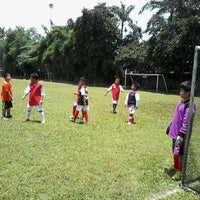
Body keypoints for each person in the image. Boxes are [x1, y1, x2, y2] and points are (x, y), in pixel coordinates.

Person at [166, 80, 196, 181]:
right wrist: (170, 126)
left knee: (180, 153)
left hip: (181, 135)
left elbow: (186, 122)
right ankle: (176, 166)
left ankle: (180, 171)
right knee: (175, 151)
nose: (180, 92)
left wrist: (181, 134)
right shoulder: (181, 102)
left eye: (182, 90)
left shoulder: (190, 106)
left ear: (188, 92)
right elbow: (177, 117)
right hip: (175, 133)